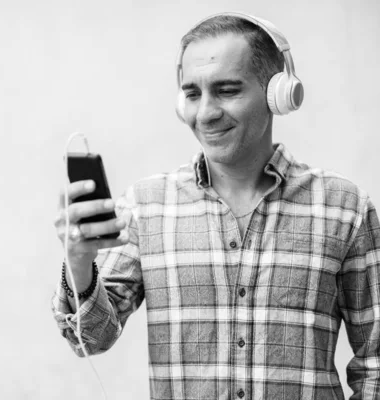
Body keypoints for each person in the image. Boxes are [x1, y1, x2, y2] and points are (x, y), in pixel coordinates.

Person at [51, 12, 380, 399]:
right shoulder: (145, 207)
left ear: (279, 93)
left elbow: (375, 366)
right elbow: (90, 339)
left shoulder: (344, 208)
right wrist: (78, 264)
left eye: (227, 90)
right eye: (192, 94)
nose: (205, 113)